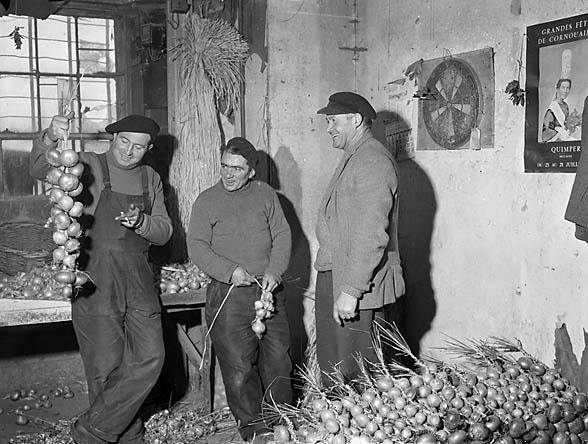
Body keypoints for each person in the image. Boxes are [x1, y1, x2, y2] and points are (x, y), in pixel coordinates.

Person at [30, 113, 173, 444]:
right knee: (105, 366)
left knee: (151, 356)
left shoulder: (150, 178)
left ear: (148, 149)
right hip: (95, 273)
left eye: (138, 147)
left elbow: (164, 231)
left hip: (138, 274)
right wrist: (51, 137)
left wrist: (142, 223)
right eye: (124, 141)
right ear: (113, 138)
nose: (128, 151)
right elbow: (39, 168)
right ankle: (128, 435)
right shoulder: (89, 164)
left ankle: (92, 433)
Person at [187, 137, 292, 443]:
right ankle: (255, 429)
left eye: (236, 168)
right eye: (224, 166)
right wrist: (229, 271)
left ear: (251, 171)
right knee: (238, 366)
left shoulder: (265, 195)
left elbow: (282, 235)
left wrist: (274, 271)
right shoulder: (207, 201)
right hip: (228, 293)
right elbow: (196, 246)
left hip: (268, 291)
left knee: (278, 359)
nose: (228, 174)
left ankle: (281, 421)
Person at [314, 91, 405, 384]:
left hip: (358, 285)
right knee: (337, 368)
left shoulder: (371, 161)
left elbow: (371, 234)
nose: (328, 129)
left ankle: (354, 429)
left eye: (332, 121)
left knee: (357, 376)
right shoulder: (355, 156)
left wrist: (351, 291)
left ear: (355, 120)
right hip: (339, 274)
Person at [542, 78, 573, 142]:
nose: (565, 91)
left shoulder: (566, 106)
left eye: (568, 88)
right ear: (557, 89)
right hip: (555, 140)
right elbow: (547, 131)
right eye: (563, 88)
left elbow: (566, 124)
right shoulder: (553, 108)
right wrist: (559, 134)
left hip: (564, 137)